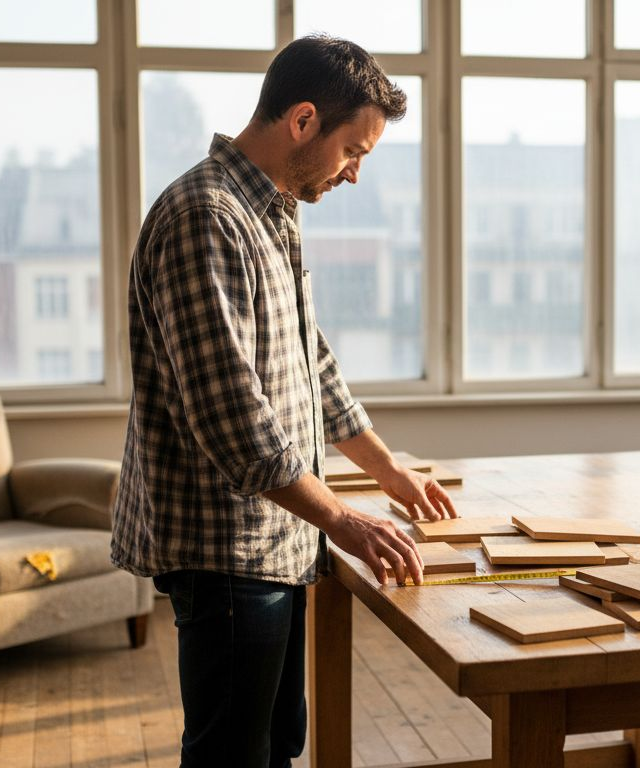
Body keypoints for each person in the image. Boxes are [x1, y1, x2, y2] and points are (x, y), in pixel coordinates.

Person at [111, 34, 458, 768]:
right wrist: (346, 521)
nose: (355, 173)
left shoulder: (270, 212)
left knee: (274, 746)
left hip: (276, 539)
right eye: (353, 151)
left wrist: (388, 472)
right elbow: (234, 423)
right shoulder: (206, 216)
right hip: (228, 549)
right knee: (232, 755)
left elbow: (310, 363)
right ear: (303, 121)